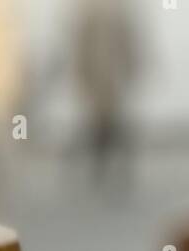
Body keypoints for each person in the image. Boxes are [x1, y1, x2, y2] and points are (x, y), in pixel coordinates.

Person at [72, 0, 141, 185]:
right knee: (99, 129)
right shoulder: (89, 15)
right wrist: (82, 79)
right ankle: (101, 171)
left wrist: (130, 70)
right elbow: (80, 49)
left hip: (112, 81)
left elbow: (128, 44)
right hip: (98, 81)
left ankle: (117, 172)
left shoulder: (117, 13)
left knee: (114, 128)